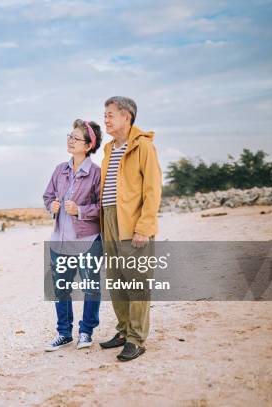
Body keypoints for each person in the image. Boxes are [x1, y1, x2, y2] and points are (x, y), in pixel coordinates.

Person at [98, 96, 162, 361]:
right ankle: (124, 330)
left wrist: (144, 227)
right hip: (110, 221)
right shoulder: (109, 149)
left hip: (133, 223)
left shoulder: (144, 147)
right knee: (115, 280)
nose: (106, 119)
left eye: (110, 114)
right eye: (105, 115)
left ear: (127, 117)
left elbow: (152, 190)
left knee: (137, 283)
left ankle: (136, 338)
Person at [42, 119, 103, 351]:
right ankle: (64, 333)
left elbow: (102, 207)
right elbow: (47, 197)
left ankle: (86, 332)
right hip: (60, 240)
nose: (70, 140)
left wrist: (80, 210)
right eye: (69, 136)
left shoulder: (96, 173)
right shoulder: (60, 170)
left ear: (88, 145)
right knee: (61, 287)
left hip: (87, 241)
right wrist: (52, 207)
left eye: (75, 138)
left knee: (91, 287)